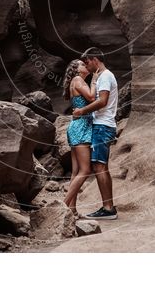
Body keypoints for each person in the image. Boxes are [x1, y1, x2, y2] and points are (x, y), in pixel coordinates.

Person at [72, 47, 118, 220]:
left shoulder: (105, 76)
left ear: (94, 59)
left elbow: (103, 101)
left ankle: (108, 209)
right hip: (102, 125)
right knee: (101, 166)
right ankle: (108, 207)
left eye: (87, 63)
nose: (86, 66)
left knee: (99, 166)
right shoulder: (104, 76)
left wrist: (82, 111)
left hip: (103, 126)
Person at [63, 59, 96, 215]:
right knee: (85, 170)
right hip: (81, 127)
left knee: (76, 172)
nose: (85, 66)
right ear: (76, 70)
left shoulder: (76, 81)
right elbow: (90, 97)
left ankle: (72, 210)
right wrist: (95, 79)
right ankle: (62, 207)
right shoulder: (77, 80)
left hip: (77, 126)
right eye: (82, 64)